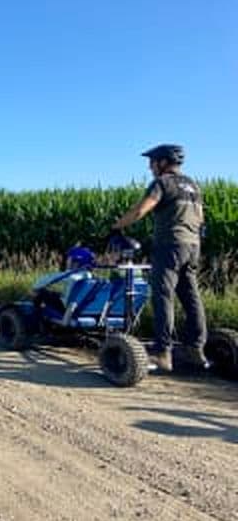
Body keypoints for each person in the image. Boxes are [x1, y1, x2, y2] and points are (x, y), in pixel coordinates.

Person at [112, 144, 207, 372]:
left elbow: (140, 210)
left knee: (162, 295)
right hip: (193, 246)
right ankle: (196, 348)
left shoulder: (162, 183)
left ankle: (163, 352)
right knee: (191, 296)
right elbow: (201, 219)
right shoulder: (193, 186)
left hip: (170, 246)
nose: (149, 167)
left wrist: (116, 226)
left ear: (163, 162)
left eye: (152, 162)